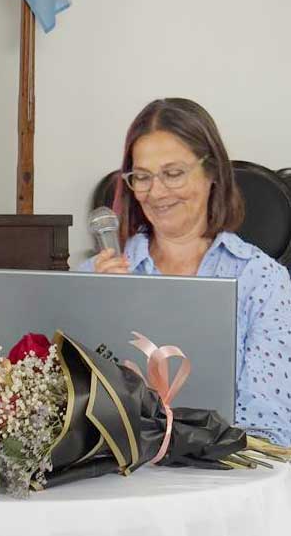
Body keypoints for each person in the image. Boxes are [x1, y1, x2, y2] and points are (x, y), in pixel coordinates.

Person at [82, 98, 291, 446]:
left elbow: (271, 424)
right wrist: (98, 308)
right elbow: (68, 406)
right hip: (116, 474)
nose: (157, 192)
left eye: (173, 173)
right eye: (142, 177)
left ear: (212, 172)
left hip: (225, 478)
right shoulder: (94, 275)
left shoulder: (262, 280)